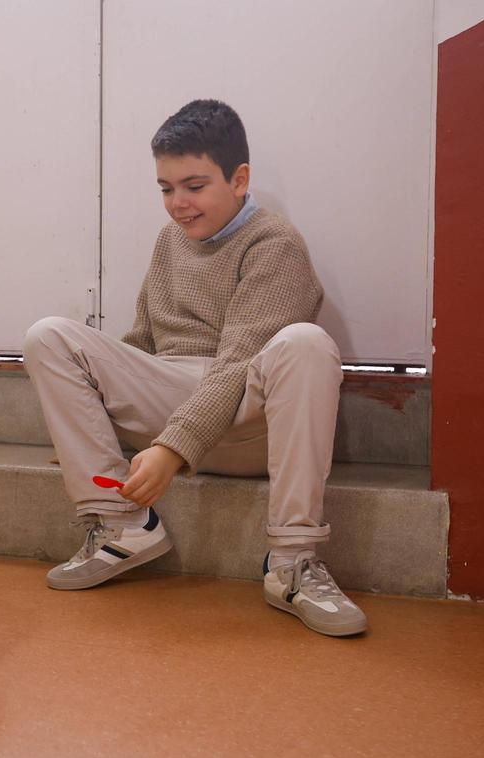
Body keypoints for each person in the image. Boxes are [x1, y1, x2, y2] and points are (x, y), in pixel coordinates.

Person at [22, 99, 365, 637]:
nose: (178, 203)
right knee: (49, 334)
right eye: (166, 188)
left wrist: (170, 447)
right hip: (176, 407)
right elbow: (140, 345)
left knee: (306, 343)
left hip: (250, 424)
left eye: (194, 185)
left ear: (240, 179)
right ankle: (121, 527)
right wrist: (90, 429)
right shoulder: (170, 241)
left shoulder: (275, 244)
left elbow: (235, 367)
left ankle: (292, 563)